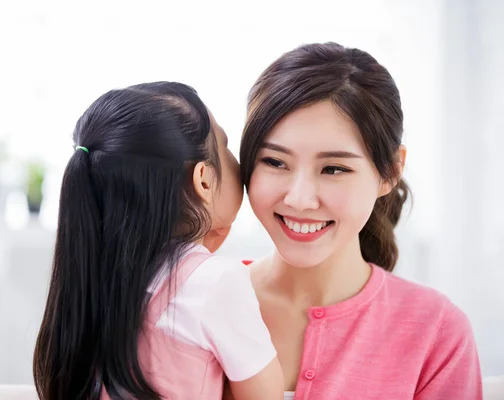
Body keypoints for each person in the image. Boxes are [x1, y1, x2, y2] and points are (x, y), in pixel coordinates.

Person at [226, 42, 483, 400]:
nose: (299, 198)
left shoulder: (436, 331)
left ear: (390, 172)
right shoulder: (192, 304)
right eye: (275, 162)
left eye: (334, 168)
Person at [32, 82, 283, 400]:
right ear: (203, 180)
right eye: (226, 145)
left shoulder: (93, 278)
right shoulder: (218, 281)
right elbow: (265, 396)